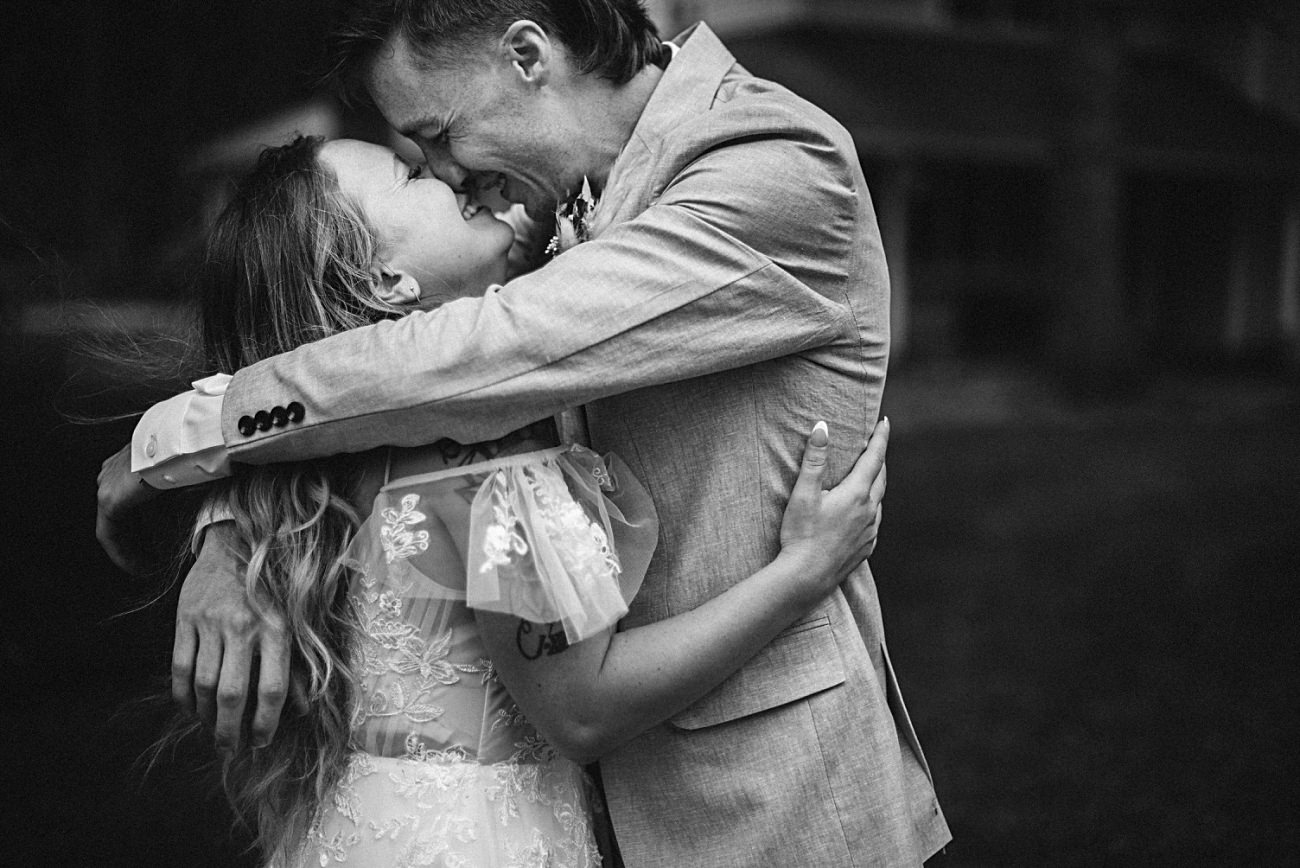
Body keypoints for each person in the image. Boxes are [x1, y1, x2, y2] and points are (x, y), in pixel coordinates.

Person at [98, 1, 951, 864]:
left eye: (437, 135)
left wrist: (203, 429)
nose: (449, 175)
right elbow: (386, 374)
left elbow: (495, 352)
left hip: (770, 802)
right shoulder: (549, 202)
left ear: (527, 56)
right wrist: (230, 527)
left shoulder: (774, 168)